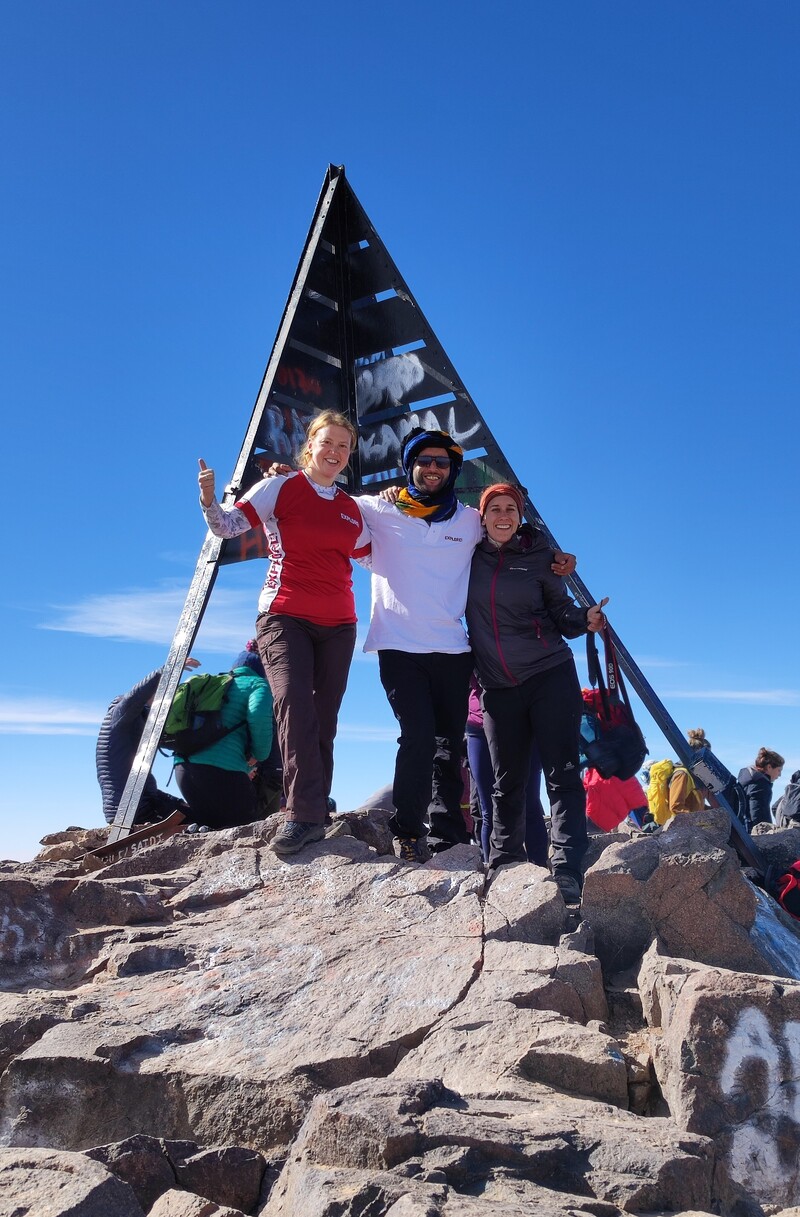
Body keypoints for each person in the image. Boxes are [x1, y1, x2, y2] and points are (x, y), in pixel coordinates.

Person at [198, 410, 370, 856]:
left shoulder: (352, 509)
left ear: (349, 456)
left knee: (324, 720)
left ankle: (314, 809)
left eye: (343, 446)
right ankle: (301, 814)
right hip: (284, 615)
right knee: (294, 705)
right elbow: (227, 527)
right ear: (309, 444)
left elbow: (376, 556)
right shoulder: (281, 487)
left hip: (340, 625)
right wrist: (208, 500)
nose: (334, 452)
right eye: (326, 442)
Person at [465, 483, 608, 902]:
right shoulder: (466, 556)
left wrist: (586, 618)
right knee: (505, 785)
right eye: (495, 509)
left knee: (561, 776)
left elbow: (562, 615)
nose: (503, 515)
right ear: (483, 515)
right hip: (497, 688)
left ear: (520, 515)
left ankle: (566, 869)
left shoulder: (541, 557)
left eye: (511, 509)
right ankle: (505, 865)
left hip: (548, 676)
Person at [173, 650, 274, 831]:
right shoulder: (258, 684)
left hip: (182, 770)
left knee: (210, 824)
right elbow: (258, 715)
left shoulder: (212, 685)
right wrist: (259, 755)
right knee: (246, 825)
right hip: (223, 773)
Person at [96, 658, 199, 826]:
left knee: (194, 813)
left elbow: (146, 788)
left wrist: (175, 800)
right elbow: (137, 694)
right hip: (129, 809)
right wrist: (168, 669)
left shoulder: (139, 722)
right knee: (200, 820)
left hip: (138, 801)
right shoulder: (120, 713)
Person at [466, 676, 548, 865]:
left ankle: (541, 872)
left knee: (529, 803)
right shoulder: (472, 646)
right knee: (488, 809)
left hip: (524, 722)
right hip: (478, 725)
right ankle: (493, 874)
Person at [738, 747, 785, 831]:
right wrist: (768, 833)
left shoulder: (750, 780)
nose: (780, 775)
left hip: (742, 826)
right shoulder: (760, 785)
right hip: (752, 832)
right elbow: (758, 813)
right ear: (769, 767)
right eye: (779, 770)